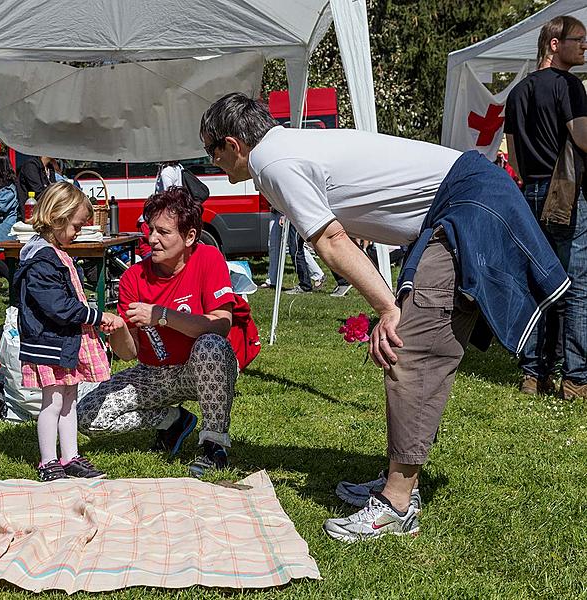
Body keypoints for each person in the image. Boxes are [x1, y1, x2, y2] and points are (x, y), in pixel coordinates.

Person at [200, 92, 568, 541]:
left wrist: (387, 309)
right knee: (410, 344)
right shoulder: (287, 149)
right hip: (460, 203)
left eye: (212, 151)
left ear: (233, 144)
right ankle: (400, 482)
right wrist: (389, 303)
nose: (214, 163)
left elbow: (331, 242)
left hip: (466, 204)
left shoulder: (273, 164)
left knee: (408, 349)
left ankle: (396, 503)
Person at [77, 186, 240, 478]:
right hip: (153, 373)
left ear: (190, 236)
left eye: (163, 232)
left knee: (212, 346)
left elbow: (221, 325)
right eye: (150, 229)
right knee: (87, 417)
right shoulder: (132, 277)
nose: (152, 239)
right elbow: (128, 354)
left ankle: (214, 445)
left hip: (199, 369)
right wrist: (116, 330)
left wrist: (162, 315)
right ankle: (173, 421)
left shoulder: (208, 258)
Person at [12, 182, 123, 481]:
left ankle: (70, 456)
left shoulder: (54, 253)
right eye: (76, 226)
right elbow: (58, 307)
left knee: (69, 398)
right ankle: (49, 462)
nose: (77, 232)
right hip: (51, 342)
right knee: (53, 400)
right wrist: (96, 316)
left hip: (65, 339)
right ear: (58, 218)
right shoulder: (41, 259)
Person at [504, 16, 587, 400]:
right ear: (555, 44)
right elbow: (583, 138)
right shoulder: (570, 86)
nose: (584, 47)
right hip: (568, 194)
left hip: (531, 193)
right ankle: (576, 379)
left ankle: (534, 375)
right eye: (579, 40)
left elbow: (514, 157)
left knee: (538, 285)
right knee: (577, 287)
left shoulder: (518, 92)